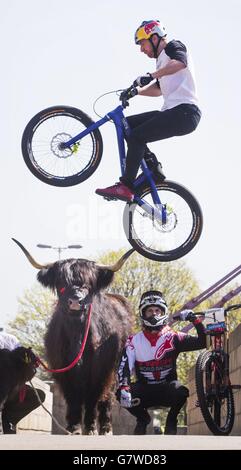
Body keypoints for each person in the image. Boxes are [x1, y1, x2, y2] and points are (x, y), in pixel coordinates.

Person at [96, 19, 201, 202]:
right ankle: (153, 169)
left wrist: (151, 76)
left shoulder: (173, 47)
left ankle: (126, 186)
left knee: (137, 136)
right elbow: (159, 89)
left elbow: (180, 63)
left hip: (185, 113)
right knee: (126, 125)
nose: (141, 49)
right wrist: (136, 92)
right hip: (172, 111)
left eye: (142, 44)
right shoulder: (162, 62)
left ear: (154, 38)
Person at [116, 290, 206, 435]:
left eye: (157, 310)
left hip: (167, 389)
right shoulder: (133, 341)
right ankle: (143, 419)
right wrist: (124, 387)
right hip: (144, 390)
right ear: (143, 314)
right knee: (120, 393)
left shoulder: (174, 336)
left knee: (181, 392)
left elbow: (203, 342)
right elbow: (124, 367)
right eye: (150, 310)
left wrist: (194, 320)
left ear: (163, 312)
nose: (154, 313)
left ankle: (171, 420)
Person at [0, 330, 45, 434]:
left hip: (10, 389)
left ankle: (9, 421)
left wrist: (30, 364)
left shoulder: (11, 340)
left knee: (37, 395)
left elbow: (25, 372)